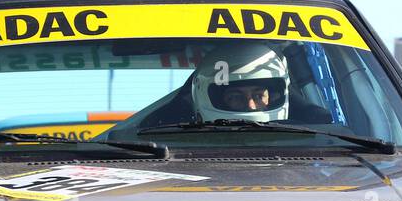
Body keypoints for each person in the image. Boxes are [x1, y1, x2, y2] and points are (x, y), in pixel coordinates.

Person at [135, 42, 331, 130]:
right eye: (236, 97)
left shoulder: (323, 142)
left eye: (258, 95)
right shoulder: (163, 146)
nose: (252, 106)